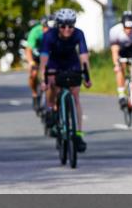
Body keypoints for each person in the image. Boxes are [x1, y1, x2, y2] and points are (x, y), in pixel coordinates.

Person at [39, 8, 92, 152]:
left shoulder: (79, 34)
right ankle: (50, 109)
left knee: (75, 95)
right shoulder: (49, 35)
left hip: (71, 62)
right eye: (63, 26)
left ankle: (78, 134)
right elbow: (44, 60)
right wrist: (43, 80)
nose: (67, 29)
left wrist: (87, 77)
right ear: (57, 25)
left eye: (70, 25)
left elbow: (84, 57)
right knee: (52, 85)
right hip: (54, 63)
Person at [25, 15, 51, 112]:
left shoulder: (54, 32)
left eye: (48, 28)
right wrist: (31, 62)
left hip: (49, 56)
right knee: (34, 74)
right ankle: (35, 93)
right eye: (44, 27)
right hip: (36, 56)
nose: (46, 30)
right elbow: (28, 50)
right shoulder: (35, 31)